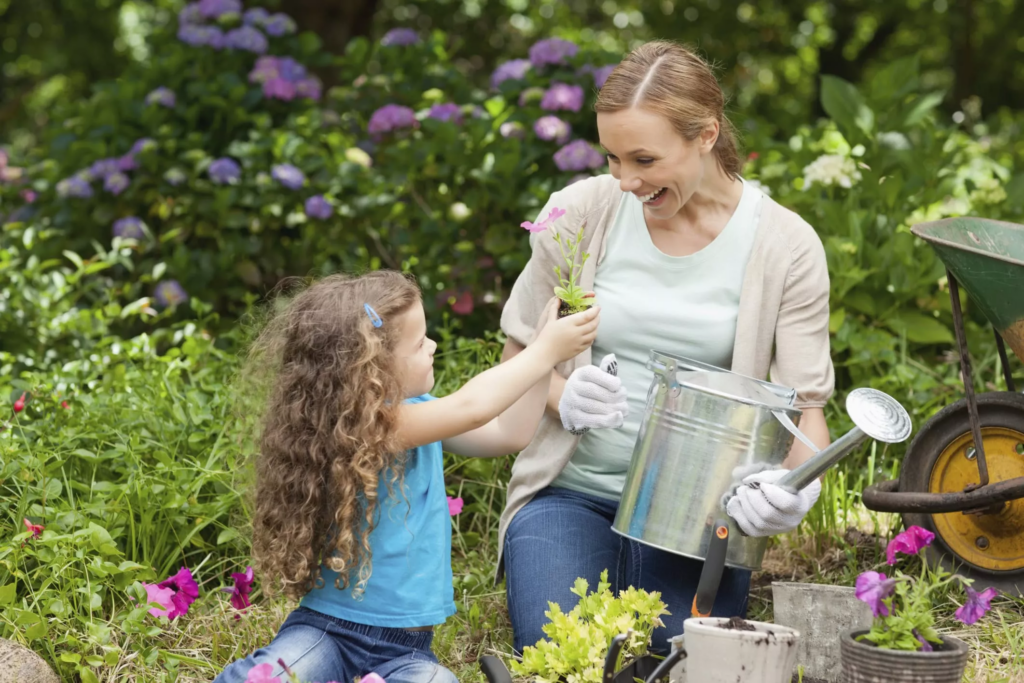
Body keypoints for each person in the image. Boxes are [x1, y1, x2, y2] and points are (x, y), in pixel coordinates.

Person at [498, 40, 834, 654]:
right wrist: (562, 395)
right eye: (612, 158)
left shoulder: (786, 245)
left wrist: (792, 490)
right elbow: (516, 361)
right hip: (570, 494)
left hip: (698, 519)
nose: (626, 181)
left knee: (672, 660)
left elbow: (804, 408)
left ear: (705, 135)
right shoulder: (579, 214)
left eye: (645, 159)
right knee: (562, 653)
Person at [214, 270, 600, 683]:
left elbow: (510, 432)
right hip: (328, 633)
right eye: (419, 344)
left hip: (407, 650)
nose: (433, 346)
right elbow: (472, 406)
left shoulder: (421, 410)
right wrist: (541, 351)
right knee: (271, 677)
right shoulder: (366, 428)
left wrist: (544, 347)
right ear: (372, 369)